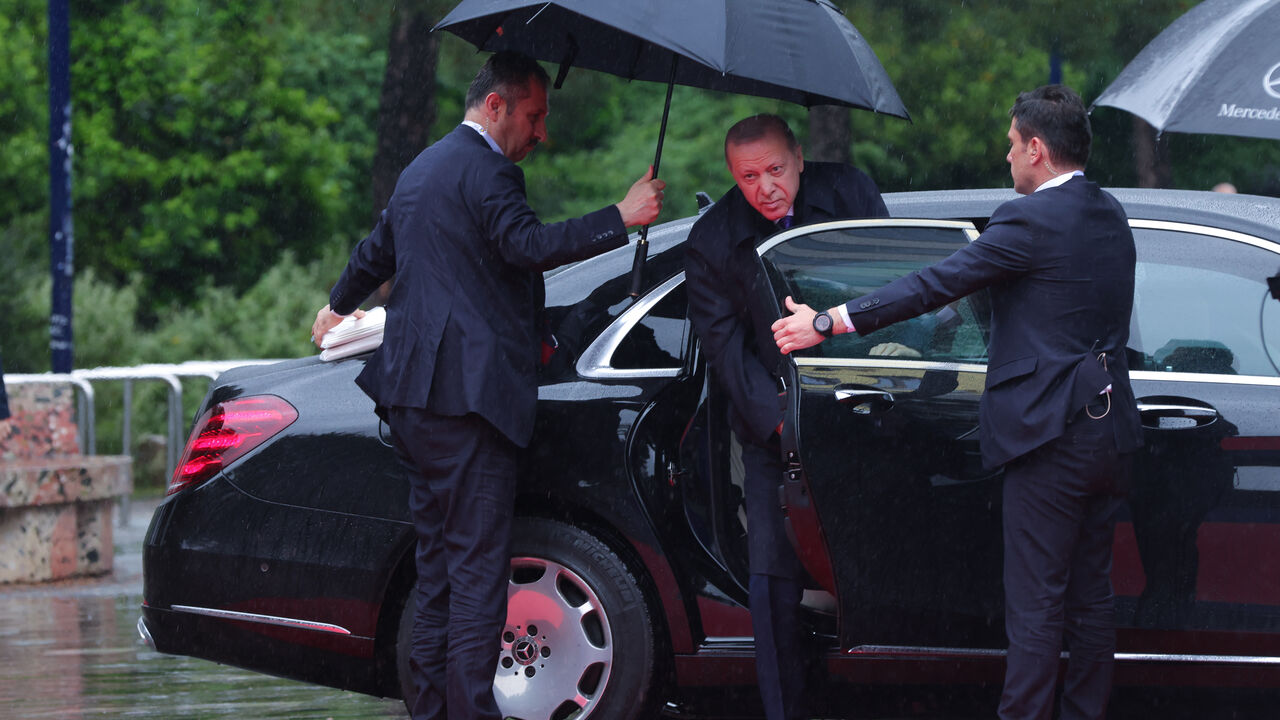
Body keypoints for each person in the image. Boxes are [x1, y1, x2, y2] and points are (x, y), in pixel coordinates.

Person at [309, 51, 664, 720]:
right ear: (496, 106)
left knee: (441, 569)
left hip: (415, 401)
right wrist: (620, 216)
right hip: (469, 403)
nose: (541, 132)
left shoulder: (424, 168)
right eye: (534, 116)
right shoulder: (491, 172)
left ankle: (435, 711)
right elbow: (526, 246)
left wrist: (336, 302)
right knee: (475, 574)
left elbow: (376, 250)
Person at [772, 85, 1143, 720]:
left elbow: (933, 284)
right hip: (1107, 435)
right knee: (1091, 601)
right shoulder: (1109, 212)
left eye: (1009, 146)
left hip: (1046, 437)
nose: (1006, 159)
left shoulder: (1028, 219)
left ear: (1036, 147)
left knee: (1035, 607)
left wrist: (828, 323)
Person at [684, 113, 887, 720]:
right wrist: (782, 426)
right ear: (732, 177)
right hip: (776, 421)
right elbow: (724, 351)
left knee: (871, 563)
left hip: (867, 408)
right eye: (749, 177)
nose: (766, 187)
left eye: (776, 169)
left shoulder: (849, 191)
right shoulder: (715, 237)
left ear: (799, 158)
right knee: (772, 576)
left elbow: (895, 287)